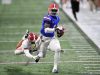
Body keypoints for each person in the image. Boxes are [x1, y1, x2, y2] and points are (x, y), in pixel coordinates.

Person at [34, 3, 64, 73]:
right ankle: (39, 55)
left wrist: (60, 30)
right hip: (44, 39)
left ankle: (55, 68)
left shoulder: (57, 18)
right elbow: (46, 30)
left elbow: (54, 27)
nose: (54, 12)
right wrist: (55, 29)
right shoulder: (47, 18)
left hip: (51, 38)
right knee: (42, 55)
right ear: (49, 10)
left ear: (57, 11)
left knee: (58, 49)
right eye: (52, 10)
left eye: (55, 10)